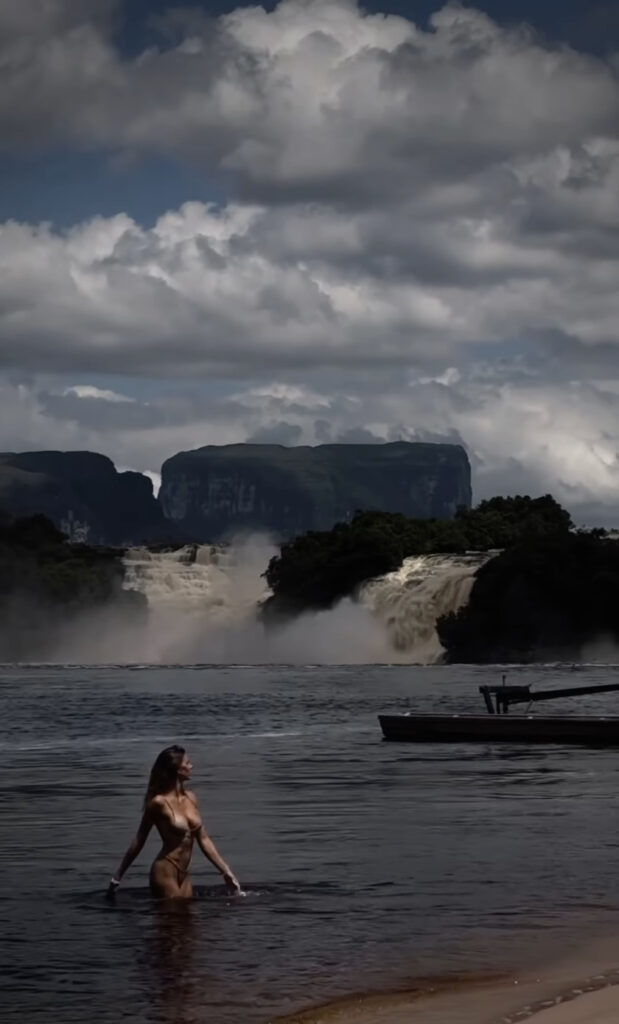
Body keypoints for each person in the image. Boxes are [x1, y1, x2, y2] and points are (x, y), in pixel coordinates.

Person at [107, 745, 242, 899]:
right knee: (172, 920)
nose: (191, 766)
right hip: (165, 871)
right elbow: (140, 839)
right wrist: (118, 876)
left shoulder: (191, 798)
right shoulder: (158, 803)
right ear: (177, 769)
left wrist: (226, 872)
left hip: (185, 874)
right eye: (188, 763)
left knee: (189, 921)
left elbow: (204, 839)